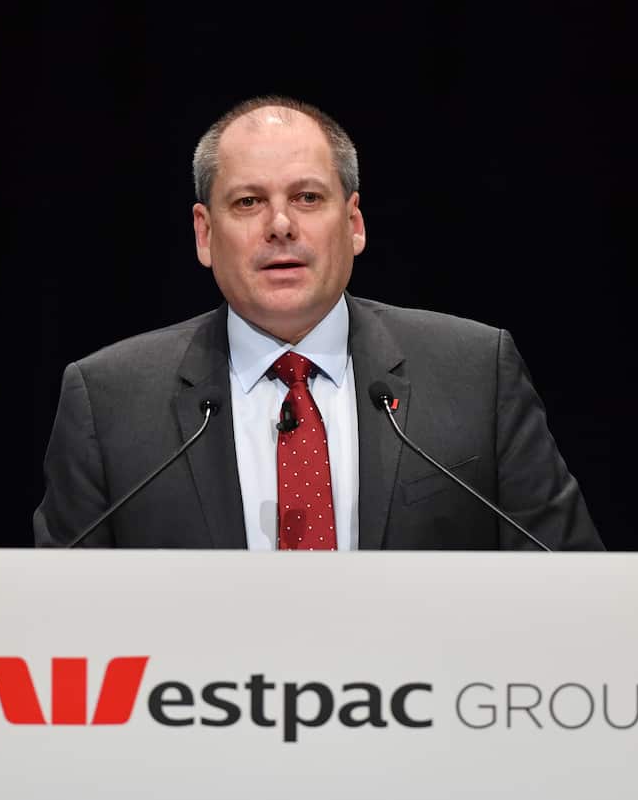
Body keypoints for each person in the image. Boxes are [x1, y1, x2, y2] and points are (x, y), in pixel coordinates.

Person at [34, 97, 603, 551]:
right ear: (205, 234)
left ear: (354, 223)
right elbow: (58, 614)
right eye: (249, 202)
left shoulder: (476, 373)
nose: (280, 225)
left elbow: (572, 582)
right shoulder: (108, 401)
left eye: (307, 197)